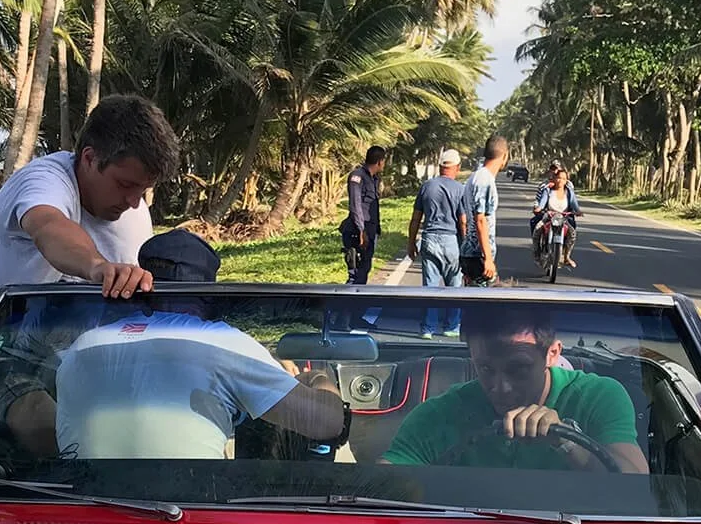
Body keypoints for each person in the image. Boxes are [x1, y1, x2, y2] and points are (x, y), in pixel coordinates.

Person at [54, 229, 347, 460]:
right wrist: (319, 379)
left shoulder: (84, 346)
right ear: (208, 293)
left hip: (78, 507)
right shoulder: (223, 344)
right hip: (182, 515)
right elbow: (327, 423)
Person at [0, 94, 179, 344]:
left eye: (143, 190)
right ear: (89, 158)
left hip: (73, 356)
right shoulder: (44, 180)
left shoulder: (135, 214)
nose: (133, 202)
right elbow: (48, 225)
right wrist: (97, 266)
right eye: (124, 184)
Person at [381, 308, 648, 473]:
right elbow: (382, 486)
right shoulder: (440, 414)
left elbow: (636, 484)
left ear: (552, 353)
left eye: (518, 369)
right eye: (485, 368)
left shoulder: (598, 397)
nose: (501, 388)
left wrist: (566, 440)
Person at [408, 150, 468, 288]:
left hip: (429, 239)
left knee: (430, 290)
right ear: (457, 167)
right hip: (451, 241)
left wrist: (411, 243)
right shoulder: (460, 189)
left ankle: (431, 310)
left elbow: (416, 218)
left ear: (440, 166)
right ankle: (452, 310)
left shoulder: (426, 186)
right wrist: (465, 247)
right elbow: (463, 222)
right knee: (454, 291)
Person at [459, 134, 509, 286]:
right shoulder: (484, 180)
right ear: (505, 156)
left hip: (471, 253)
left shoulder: (475, 177)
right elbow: (480, 220)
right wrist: (487, 258)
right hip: (477, 255)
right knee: (483, 304)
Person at [341, 146, 387, 284]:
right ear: (379, 162)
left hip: (370, 230)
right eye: (384, 161)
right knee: (356, 273)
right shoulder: (357, 176)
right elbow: (355, 205)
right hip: (358, 231)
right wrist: (361, 230)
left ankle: (356, 302)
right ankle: (350, 303)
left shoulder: (374, 179)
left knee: (365, 268)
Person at [535, 166, 581, 269]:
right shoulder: (548, 190)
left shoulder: (569, 192)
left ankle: (567, 257)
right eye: (559, 178)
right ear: (554, 178)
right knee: (537, 229)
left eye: (564, 179)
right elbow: (543, 202)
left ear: (566, 181)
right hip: (549, 215)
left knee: (572, 233)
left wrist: (578, 211)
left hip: (563, 217)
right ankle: (537, 254)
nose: (561, 180)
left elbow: (574, 204)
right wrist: (539, 208)